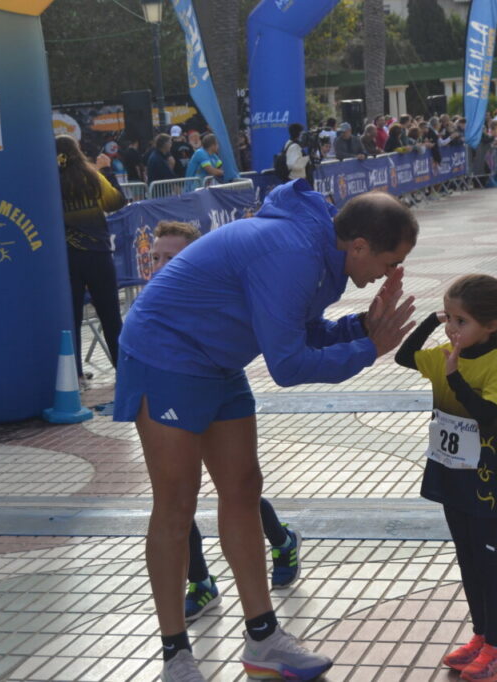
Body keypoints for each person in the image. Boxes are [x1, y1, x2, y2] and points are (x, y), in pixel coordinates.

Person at [114, 185, 419, 682]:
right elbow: (288, 364)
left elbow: (300, 329)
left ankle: (263, 638)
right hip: (163, 355)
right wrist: (369, 349)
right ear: (359, 245)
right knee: (176, 502)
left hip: (218, 360)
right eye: (389, 263)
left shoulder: (322, 252)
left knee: (242, 489)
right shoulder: (294, 252)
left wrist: (362, 327)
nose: (389, 275)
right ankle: (176, 656)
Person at [147, 220, 305, 624]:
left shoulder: (215, 297)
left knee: (235, 488)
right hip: (170, 395)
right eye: (156, 258)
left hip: (216, 393)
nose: (163, 267)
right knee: (175, 499)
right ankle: (200, 583)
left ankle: (282, 540)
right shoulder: (151, 306)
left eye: (174, 258)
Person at [394, 274, 497, 682]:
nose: (452, 328)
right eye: (449, 318)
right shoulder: (447, 350)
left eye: (461, 321)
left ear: (490, 325)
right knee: (465, 555)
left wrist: (453, 379)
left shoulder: (496, 362)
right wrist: (433, 322)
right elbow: (403, 356)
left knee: (484, 556)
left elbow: (488, 415)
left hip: (482, 473)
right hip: (449, 467)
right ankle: (481, 636)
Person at [55, 134, 127, 384]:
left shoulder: (49, 181)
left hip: (66, 258)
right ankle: (123, 370)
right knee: (110, 315)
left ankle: (74, 376)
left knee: (71, 318)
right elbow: (116, 202)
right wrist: (107, 171)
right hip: (98, 254)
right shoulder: (91, 176)